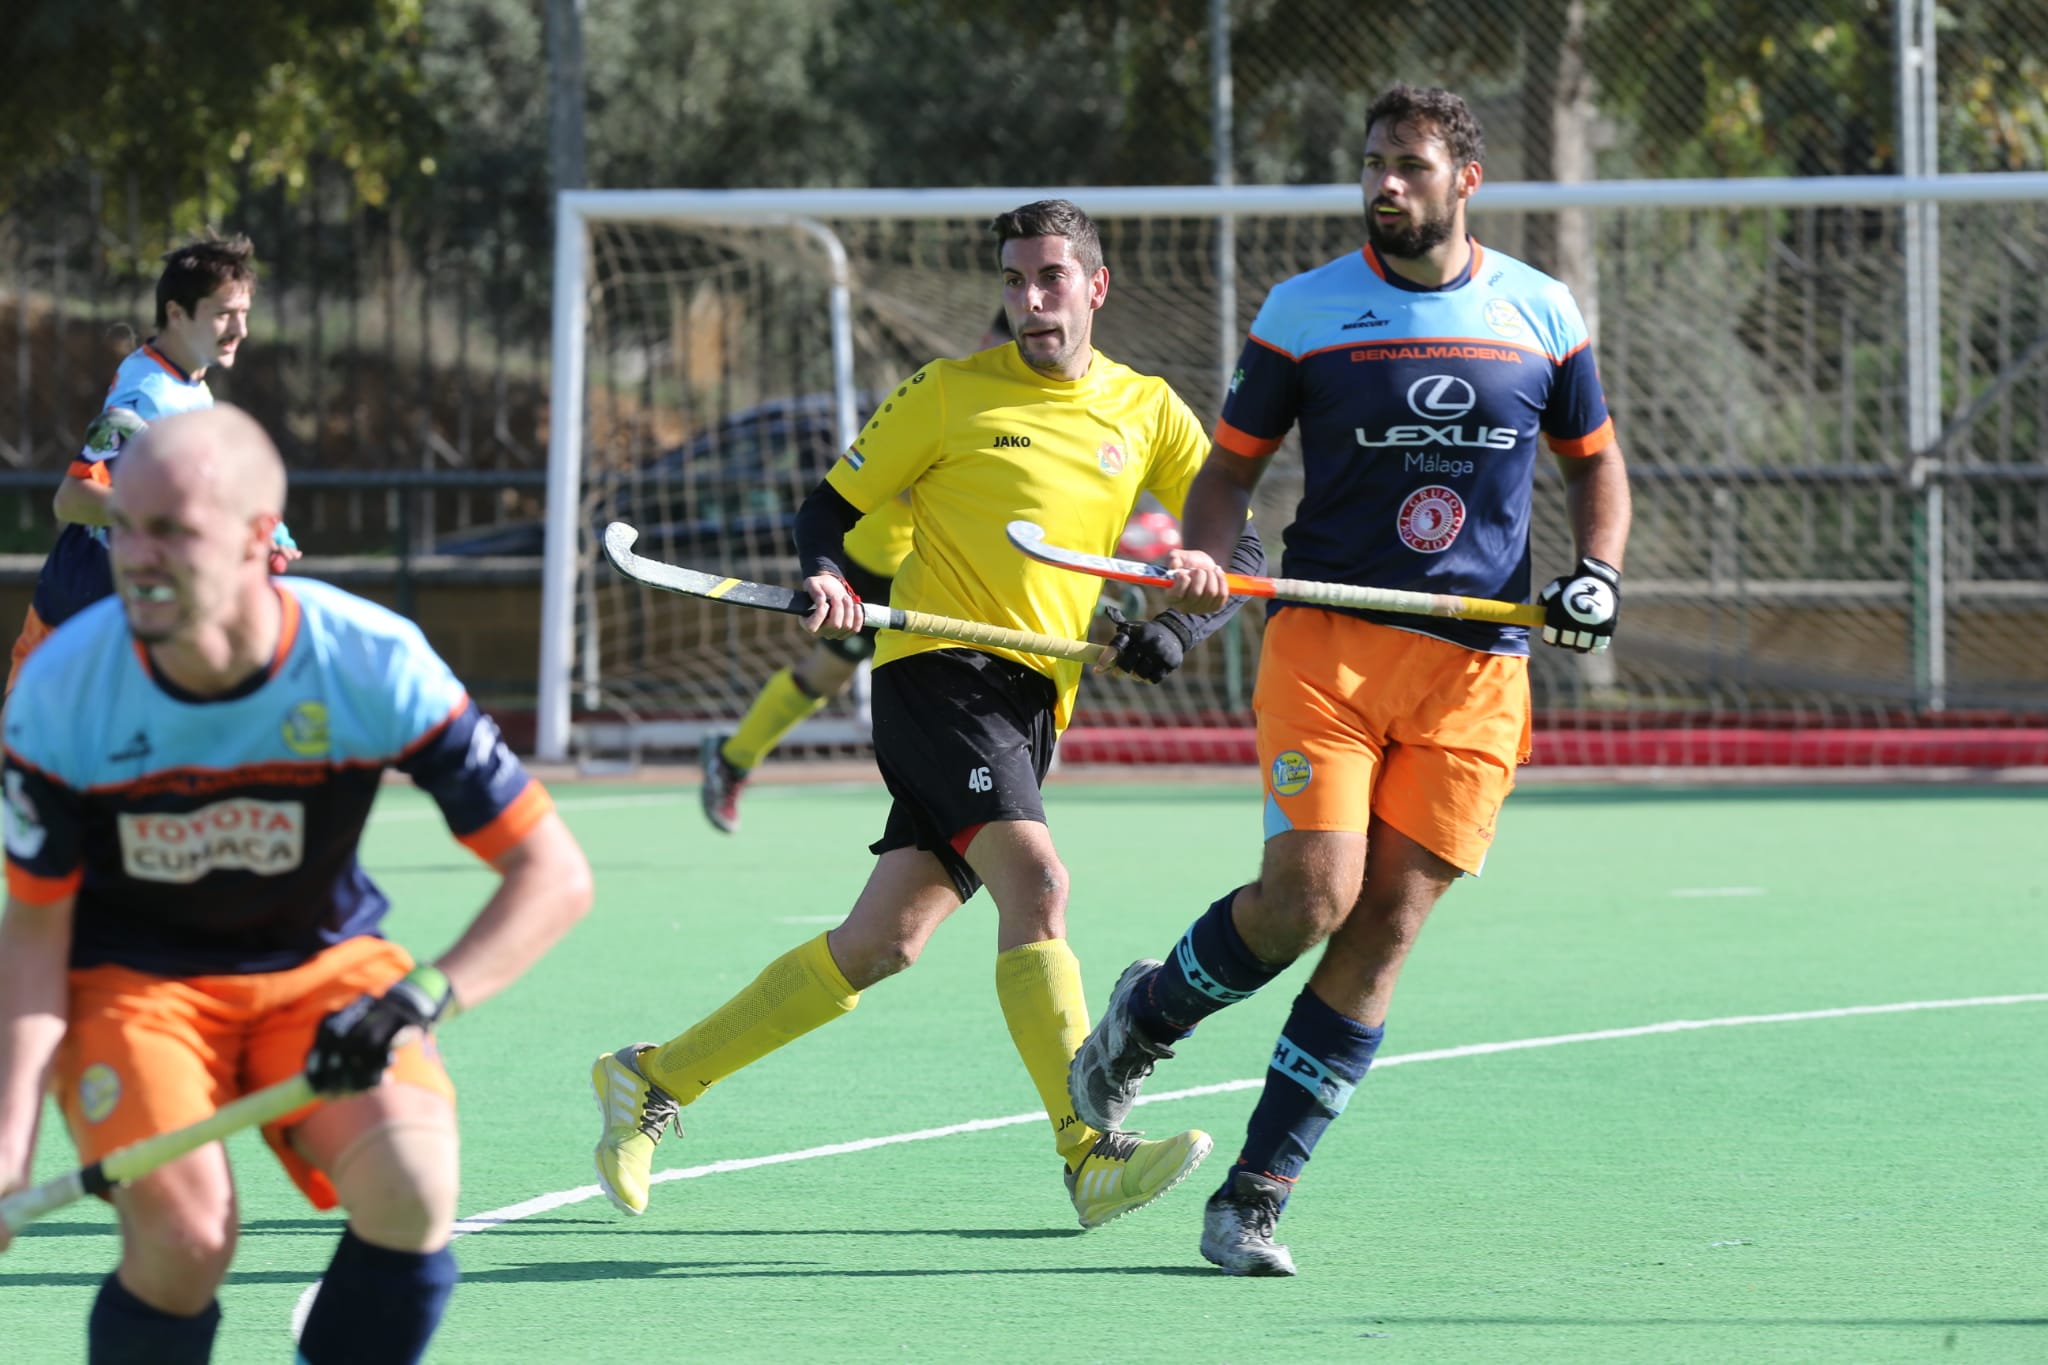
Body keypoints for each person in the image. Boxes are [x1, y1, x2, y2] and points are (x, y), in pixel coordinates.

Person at [590, 199, 1268, 1229]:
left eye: (1049, 278)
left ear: (1095, 286)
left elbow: (1240, 550)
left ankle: (651, 1077)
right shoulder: (948, 394)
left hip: (1035, 697)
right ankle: (1087, 1148)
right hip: (934, 672)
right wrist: (822, 573)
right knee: (1036, 885)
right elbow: (829, 507)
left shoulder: (1146, 410)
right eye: (1012, 280)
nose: (1029, 300)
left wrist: (1175, 628)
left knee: (881, 944)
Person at [1067, 83, 1634, 1276]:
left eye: (1409, 166)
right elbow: (1225, 478)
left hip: (1476, 669)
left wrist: (1597, 575)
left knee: (1384, 926)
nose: (1384, 184)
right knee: (1310, 897)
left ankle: (1253, 1196)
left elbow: (1595, 467)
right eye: (1372, 163)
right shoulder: (1304, 311)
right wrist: (1210, 560)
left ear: (1463, 179)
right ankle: (1144, 1017)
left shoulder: (1537, 310)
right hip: (1324, 647)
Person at [0, 406, 594, 1363]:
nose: (136, 555)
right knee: (188, 1240)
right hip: (134, 988)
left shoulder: (368, 658)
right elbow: (32, 939)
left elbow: (552, 874)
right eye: (126, 524)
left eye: (172, 531)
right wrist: (7, 1147)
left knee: (413, 1184)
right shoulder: (62, 688)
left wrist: (418, 998)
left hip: (324, 968)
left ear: (256, 539)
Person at [699, 309, 1014, 834]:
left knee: (843, 677)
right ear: (986, 340)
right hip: (875, 569)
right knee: (851, 679)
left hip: (926, 573)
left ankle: (732, 757)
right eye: (1005, 340)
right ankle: (733, 758)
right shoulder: (946, 397)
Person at [7, 233, 300, 695]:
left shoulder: (185, 384)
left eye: (244, 314)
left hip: (137, 605)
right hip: (84, 607)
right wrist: (185, 518)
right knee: (29, 754)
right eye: (224, 313)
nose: (240, 329)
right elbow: (73, 499)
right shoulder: (147, 397)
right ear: (177, 314)